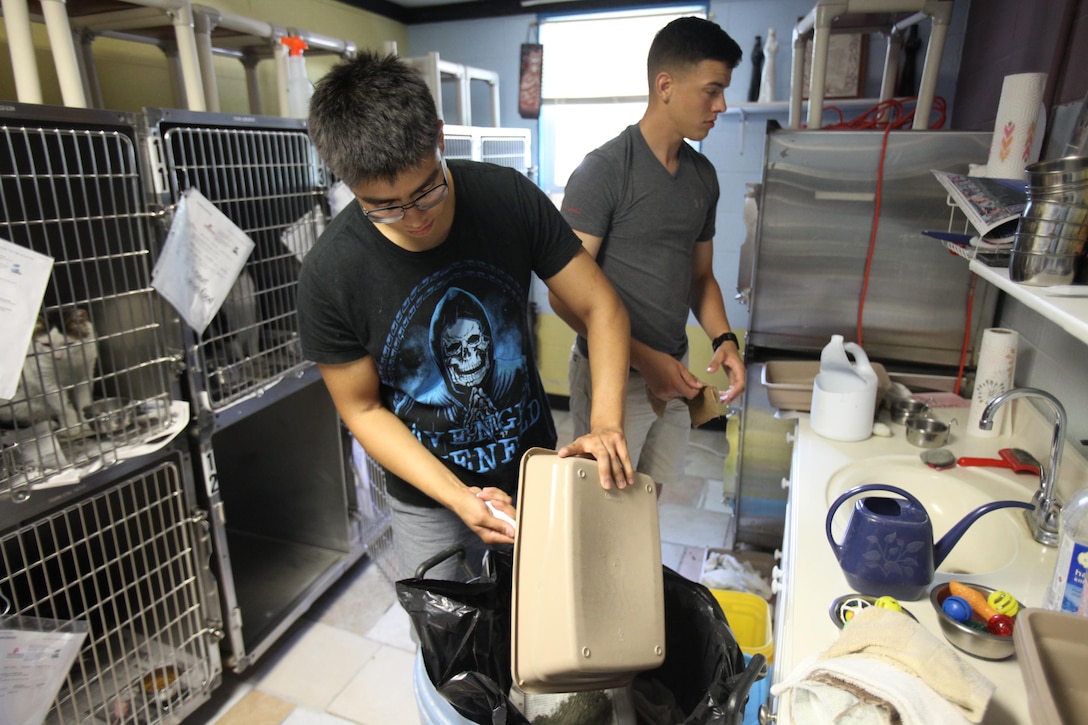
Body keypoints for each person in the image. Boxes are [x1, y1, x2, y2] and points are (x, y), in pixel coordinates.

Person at [299, 51, 634, 582]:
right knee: (449, 649)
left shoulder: (507, 199)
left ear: (439, 136)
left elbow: (602, 306)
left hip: (534, 468)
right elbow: (362, 409)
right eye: (383, 206)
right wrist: (458, 496)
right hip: (428, 498)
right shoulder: (330, 273)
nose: (414, 219)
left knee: (542, 622)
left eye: (426, 188)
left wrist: (605, 423)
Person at [550, 16, 747, 497]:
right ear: (665, 85)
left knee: (649, 496)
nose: (721, 105)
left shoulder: (703, 176)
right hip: (611, 377)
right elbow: (564, 300)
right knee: (602, 506)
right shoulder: (603, 172)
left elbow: (700, 277)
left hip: (674, 371)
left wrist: (724, 338)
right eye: (712, 90)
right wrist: (646, 361)